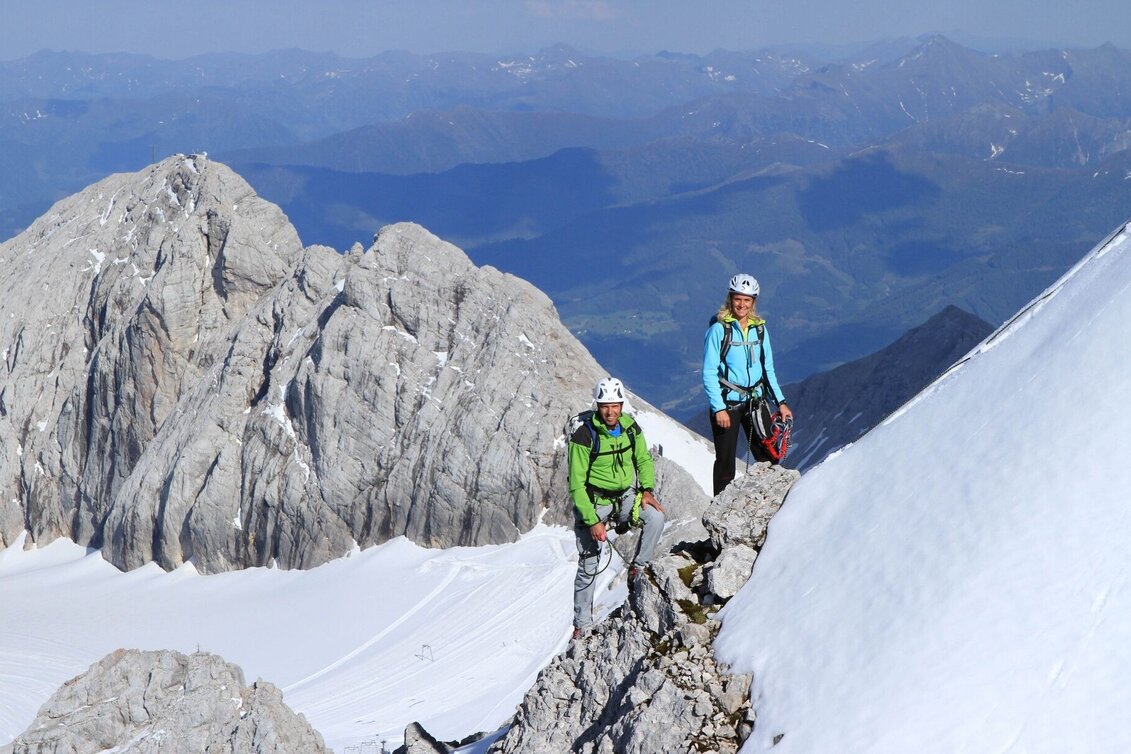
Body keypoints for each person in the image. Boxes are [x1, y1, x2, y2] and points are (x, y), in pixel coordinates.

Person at [568, 377, 665, 638]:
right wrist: (591, 521)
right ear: (597, 405)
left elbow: (643, 459)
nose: (610, 412)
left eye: (615, 405)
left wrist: (646, 490)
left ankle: (639, 568)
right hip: (595, 502)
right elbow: (576, 484)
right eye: (604, 406)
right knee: (589, 562)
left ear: (622, 404)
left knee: (655, 517)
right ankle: (582, 624)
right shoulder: (584, 435)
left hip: (625, 498)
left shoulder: (630, 429)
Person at [703, 273, 793, 495]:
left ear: (753, 302)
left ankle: (770, 502)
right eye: (737, 299)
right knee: (725, 464)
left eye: (747, 300)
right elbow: (708, 372)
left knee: (769, 455)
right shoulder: (719, 330)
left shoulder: (760, 330)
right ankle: (721, 510)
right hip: (728, 404)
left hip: (755, 401)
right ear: (730, 299)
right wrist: (718, 408)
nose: (741, 304)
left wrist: (780, 402)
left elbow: (767, 370)